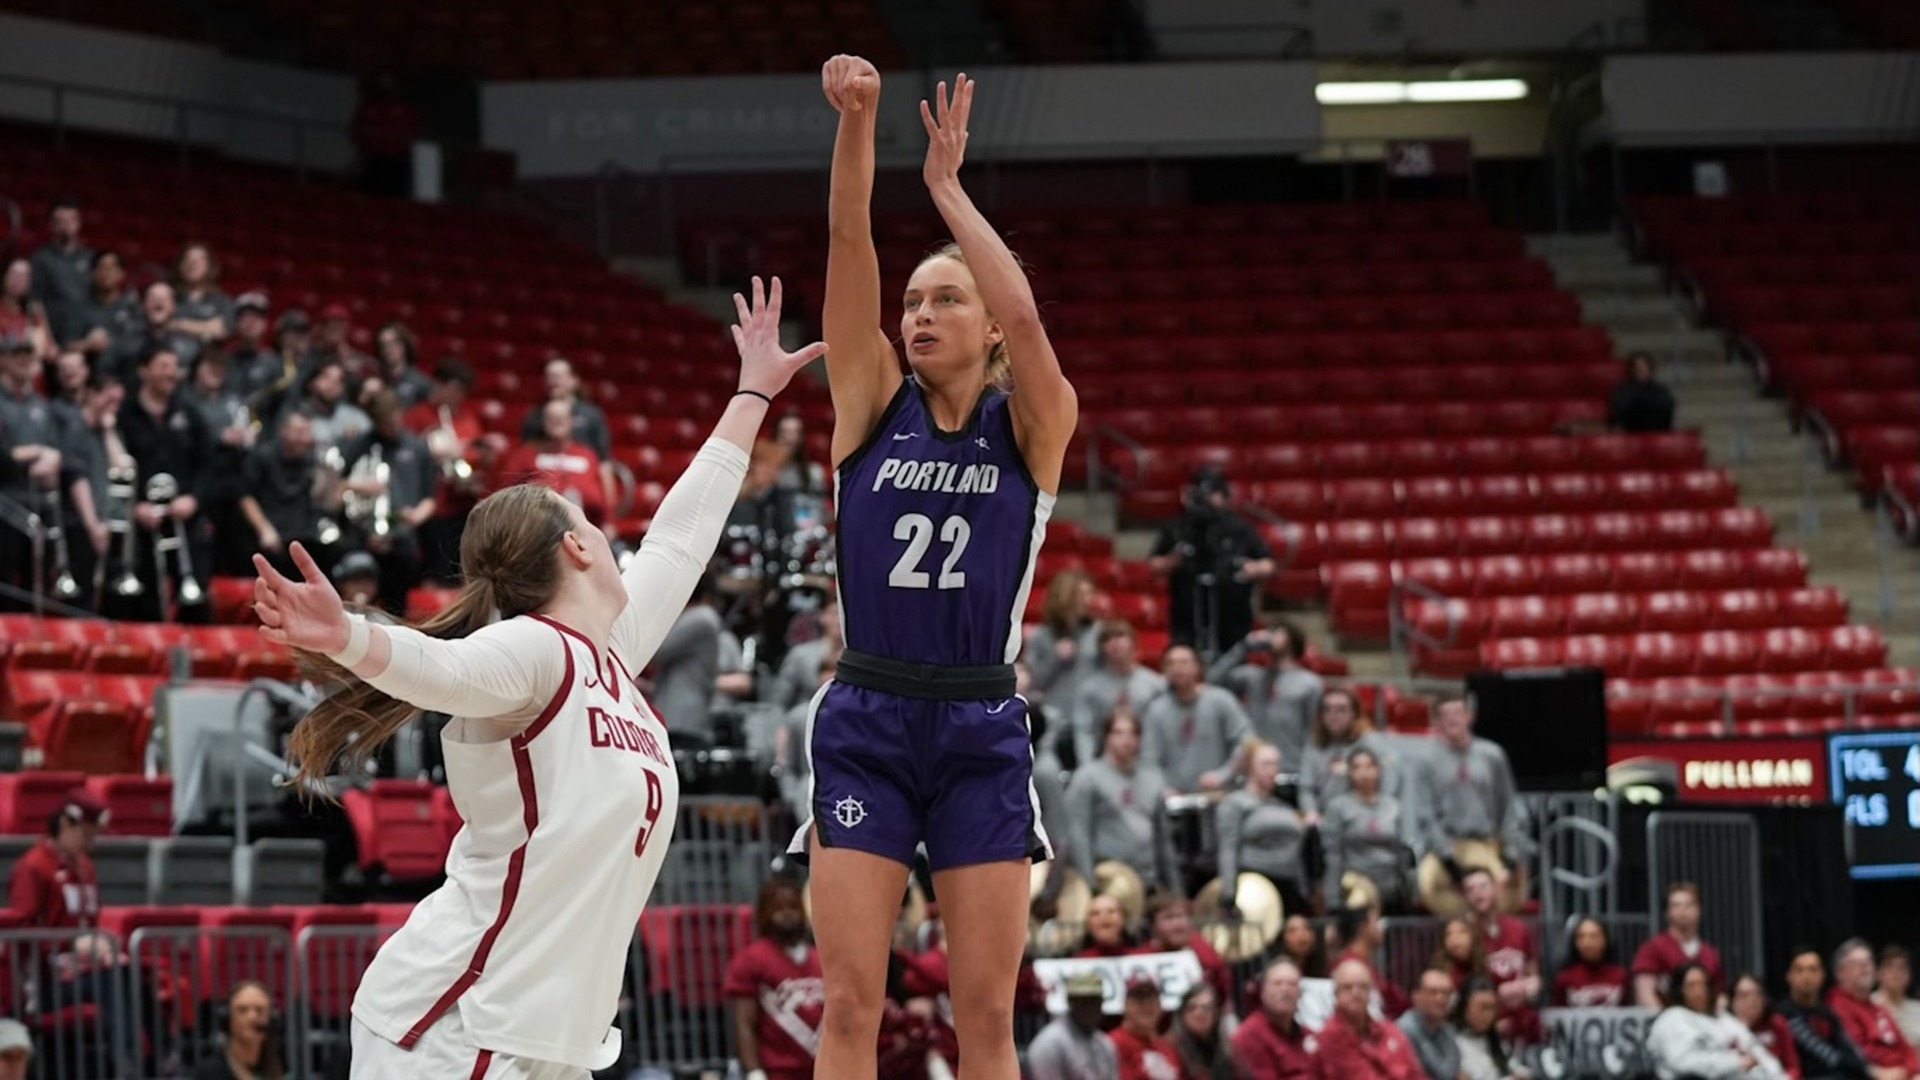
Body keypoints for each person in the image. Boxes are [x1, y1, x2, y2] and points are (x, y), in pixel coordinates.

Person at [256, 276, 824, 1078]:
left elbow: (681, 539)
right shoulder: (535, 650)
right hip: (456, 1025)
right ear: (579, 549)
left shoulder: (610, 656)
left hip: (541, 1041)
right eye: (592, 520)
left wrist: (752, 395)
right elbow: (442, 669)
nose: (610, 532)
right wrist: (348, 635)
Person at [789, 60, 1080, 1080]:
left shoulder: (1033, 425)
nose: (919, 314)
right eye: (913, 301)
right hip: (868, 716)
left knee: (986, 1020)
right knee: (852, 1007)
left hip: (978, 724)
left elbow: (1035, 324)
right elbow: (846, 244)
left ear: (990, 326)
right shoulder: (870, 400)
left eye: (946, 299)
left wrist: (951, 193)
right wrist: (858, 125)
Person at [1415, 696, 1531, 918]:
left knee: (1505, 889)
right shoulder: (1425, 760)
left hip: (1486, 842)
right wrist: (1449, 861)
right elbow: (1425, 814)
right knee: (1428, 887)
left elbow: (1507, 806)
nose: (1452, 720)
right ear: (1436, 722)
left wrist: (1509, 853)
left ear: (1469, 716)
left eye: (1457, 713)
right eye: (1445, 715)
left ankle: (1492, 940)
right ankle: (1463, 931)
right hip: (1447, 844)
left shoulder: (1492, 755)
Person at [1147, 465, 1274, 658]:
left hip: (1232, 616)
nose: (1207, 499)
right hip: (1187, 615)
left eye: (1214, 493)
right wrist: (1173, 560)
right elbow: (1153, 565)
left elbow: (1268, 563)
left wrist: (1253, 569)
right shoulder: (1177, 526)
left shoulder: (1239, 527)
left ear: (1224, 496)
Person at [1065, 709, 1182, 897]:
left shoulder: (1153, 778)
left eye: (1133, 733)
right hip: (1109, 878)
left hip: (1148, 877)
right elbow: (1078, 832)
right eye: (1118, 733)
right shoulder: (1088, 777)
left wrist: (1176, 889)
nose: (1126, 740)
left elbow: (1163, 838)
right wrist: (1090, 882)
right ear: (1106, 737)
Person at [726, 877, 824, 1080]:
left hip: (821, 1070)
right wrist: (754, 1072)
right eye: (778, 908)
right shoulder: (751, 960)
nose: (787, 913)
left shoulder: (821, 959)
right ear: (765, 912)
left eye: (793, 907)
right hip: (777, 1073)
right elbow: (744, 1024)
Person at [1209, 619, 1323, 771]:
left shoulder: (1310, 683)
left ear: (1292, 639)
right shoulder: (1252, 676)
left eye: (1277, 632)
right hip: (1253, 765)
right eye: (1269, 632)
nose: (1269, 636)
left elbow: (1313, 731)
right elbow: (1212, 680)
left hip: (1291, 765)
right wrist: (1243, 647)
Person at [1141, 643, 1254, 793]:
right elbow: (1149, 759)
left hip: (1217, 793)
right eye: (1171, 663)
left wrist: (1224, 774)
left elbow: (1247, 740)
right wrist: (1160, 788)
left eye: (1184, 662)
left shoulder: (1221, 700)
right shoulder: (1156, 710)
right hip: (1174, 798)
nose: (1177, 668)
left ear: (1197, 667)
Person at [1217, 742, 1313, 916]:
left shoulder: (1284, 806)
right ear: (1250, 766)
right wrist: (1228, 894)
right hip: (1256, 884)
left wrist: (1304, 889)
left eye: (1276, 764)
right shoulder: (1235, 803)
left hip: (1289, 882)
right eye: (1266, 764)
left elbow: (1297, 852)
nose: (1272, 770)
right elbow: (1228, 848)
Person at [1322, 746, 1419, 914]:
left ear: (1378, 770)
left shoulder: (1393, 807)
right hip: (1355, 880)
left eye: (1369, 766)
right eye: (1357, 767)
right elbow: (1333, 854)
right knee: (1358, 901)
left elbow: (1404, 850)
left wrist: (1411, 889)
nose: (1364, 773)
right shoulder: (1338, 807)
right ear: (1349, 773)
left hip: (1390, 881)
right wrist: (1333, 899)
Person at [1647, 964, 1787, 1080]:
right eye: (1692, 985)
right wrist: (1736, 1062)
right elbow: (1683, 1062)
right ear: (1679, 989)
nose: (1699, 991)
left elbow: (1755, 1049)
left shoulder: (1722, 1018)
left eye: (1703, 984)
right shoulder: (1673, 1018)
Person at [1458, 867, 1540, 1040]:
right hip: (1485, 1027)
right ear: (1465, 896)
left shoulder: (1518, 928)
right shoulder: (1463, 934)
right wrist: (1497, 995)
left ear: (1495, 889)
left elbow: (1533, 974)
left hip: (1523, 1023)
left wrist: (1530, 987)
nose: (1478, 893)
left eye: (1483, 886)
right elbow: (1461, 987)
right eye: (1471, 889)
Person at [501, 398, 611, 527]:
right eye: (551, 417)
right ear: (543, 421)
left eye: (561, 417)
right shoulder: (526, 454)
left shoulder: (587, 454)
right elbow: (506, 493)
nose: (556, 421)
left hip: (584, 526)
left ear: (571, 421)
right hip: (537, 528)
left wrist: (608, 523)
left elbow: (601, 499)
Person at [7, 789, 105, 928]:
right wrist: (71, 942)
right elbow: (23, 929)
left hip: (86, 948)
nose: (90, 843)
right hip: (51, 950)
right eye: (86, 835)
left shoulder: (86, 866)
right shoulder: (33, 866)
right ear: (64, 824)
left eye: (94, 836)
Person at [1319, 957, 1426, 1080]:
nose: (1356, 993)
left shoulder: (1390, 1030)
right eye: (1347, 987)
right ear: (1335, 994)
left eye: (1363, 987)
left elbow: (1416, 1074)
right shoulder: (1328, 1037)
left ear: (1371, 993)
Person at [1828, 940, 1919, 1080]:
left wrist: (1910, 1071)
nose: (1865, 968)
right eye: (1857, 964)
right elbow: (1858, 1052)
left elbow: (1905, 1047)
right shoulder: (1837, 1006)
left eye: (1868, 962)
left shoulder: (1877, 1008)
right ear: (1841, 972)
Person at [1780, 948, 1871, 1080]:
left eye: (1812, 970)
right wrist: (1856, 1066)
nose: (1806, 976)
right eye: (1799, 970)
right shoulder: (1784, 1013)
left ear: (1822, 975)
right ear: (1789, 976)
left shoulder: (1827, 1012)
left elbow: (1848, 1046)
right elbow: (1823, 1053)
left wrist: (1862, 1066)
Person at [1298, 689, 1386, 825]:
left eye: (1341, 709)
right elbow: (1306, 788)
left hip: (1363, 818)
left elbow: (1386, 783)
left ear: (1354, 713)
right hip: (1324, 819)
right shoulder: (1313, 745)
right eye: (1327, 710)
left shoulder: (1370, 742)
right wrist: (1311, 812)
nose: (1333, 715)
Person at [1633, 882, 1725, 1008]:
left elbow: (1719, 994)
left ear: (1699, 909)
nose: (1683, 911)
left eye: (1689, 905)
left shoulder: (1711, 954)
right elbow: (1645, 994)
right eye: (1676, 906)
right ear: (1667, 912)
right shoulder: (1651, 949)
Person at [1136, 893, 1233, 1011]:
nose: (1177, 925)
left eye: (1181, 917)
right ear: (1153, 926)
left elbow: (1220, 982)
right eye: (1169, 918)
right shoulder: (1140, 958)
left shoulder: (1201, 949)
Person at [1023, 569, 1098, 718]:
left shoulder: (1097, 633)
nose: (1088, 600)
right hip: (1053, 716)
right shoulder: (1040, 636)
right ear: (1065, 597)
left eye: (1090, 594)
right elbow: (1032, 682)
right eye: (1082, 595)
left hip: (1088, 716)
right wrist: (1054, 657)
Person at [1233, 958, 1316, 1080]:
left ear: (1300, 994)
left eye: (1292, 984)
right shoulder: (1249, 1035)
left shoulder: (1308, 1035)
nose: (1285, 990)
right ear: (1263, 992)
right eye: (1277, 983)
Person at [1026, 971, 1116, 1080]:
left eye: (1094, 1001)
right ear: (1070, 1002)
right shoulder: (1050, 1043)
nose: (1089, 1008)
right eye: (1083, 1001)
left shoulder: (1104, 1043)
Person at [30, 200, 94, 349]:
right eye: (61, 221)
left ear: (79, 223)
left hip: (83, 339)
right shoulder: (41, 259)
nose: (67, 226)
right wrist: (47, 340)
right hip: (53, 339)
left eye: (71, 220)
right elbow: (35, 303)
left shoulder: (89, 258)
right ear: (51, 225)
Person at [195, 979, 285, 1080]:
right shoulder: (210, 1073)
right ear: (227, 1019)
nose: (252, 1017)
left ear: (271, 1019)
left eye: (260, 1010)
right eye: (242, 1010)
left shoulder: (283, 1067)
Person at [1335, 905, 1410, 1019]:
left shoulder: (1365, 963)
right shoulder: (1348, 966)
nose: (1381, 928)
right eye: (1376, 923)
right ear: (1362, 928)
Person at [1453, 978, 1529, 1080]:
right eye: (1483, 1007)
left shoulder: (1496, 1040)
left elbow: (1514, 1067)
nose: (1488, 1015)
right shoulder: (1453, 1042)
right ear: (1465, 1007)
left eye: (1492, 1008)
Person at [1732, 972, 1802, 1080]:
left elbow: (1792, 1067)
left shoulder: (1776, 1024)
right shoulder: (1724, 1029)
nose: (1752, 1001)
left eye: (1757, 994)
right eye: (1744, 995)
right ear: (1732, 1001)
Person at [1110, 975, 1182, 1080]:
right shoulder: (1113, 1044)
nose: (1147, 1005)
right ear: (1125, 1005)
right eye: (1140, 999)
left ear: (1161, 1007)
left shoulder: (1168, 1048)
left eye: (1152, 999)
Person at [1400, 967, 1464, 1080]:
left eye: (1446, 993)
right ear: (1416, 996)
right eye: (1433, 992)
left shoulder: (1448, 1030)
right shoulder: (1403, 1031)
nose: (1440, 999)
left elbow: (1452, 1072)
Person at [1551, 918, 1630, 1008]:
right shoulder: (1564, 978)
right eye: (1581, 937)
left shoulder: (1620, 976)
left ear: (1605, 939)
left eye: (1594, 936)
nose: (1587, 943)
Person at [173, 242, 234, 349]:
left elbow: (221, 330)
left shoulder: (221, 300)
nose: (192, 264)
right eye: (188, 259)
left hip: (208, 361)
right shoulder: (171, 297)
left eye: (199, 260)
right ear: (180, 266)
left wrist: (179, 324)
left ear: (209, 267)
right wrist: (206, 327)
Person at [1171, 982, 1234, 1080]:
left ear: (1216, 1014)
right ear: (1182, 1013)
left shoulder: (1228, 1048)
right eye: (1192, 1007)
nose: (1199, 1013)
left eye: (1206, 1007)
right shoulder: (1171, 1050)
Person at [1607, 352, 1676, 434]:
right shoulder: (1621, 390)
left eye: (1644, 366)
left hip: (1655, 434)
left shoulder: (1660, 391)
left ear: (1650, 368)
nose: (1640, 369)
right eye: (1637, 366)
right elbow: (1618, 416)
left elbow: (1666, 412)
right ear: (1631, 369)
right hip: (1629, 435)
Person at [1876, 947, 1920, 1058]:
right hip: (1886, 1070)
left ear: (1909, 975)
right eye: (1889, 966)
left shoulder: (1917, 1009)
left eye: (1902, 967)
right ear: (1878, 973)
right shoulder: (1867, 1005)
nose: (1896, 972)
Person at [1434, 916, 1491, 989]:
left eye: (1462, 932)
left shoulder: (1487, 964)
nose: (1454, 938)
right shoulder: (1440, 971)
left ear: (1474, 936)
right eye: (1448, 934)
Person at [1073, 893, 1134, 957]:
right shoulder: (1079, 961)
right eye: (1096, 913)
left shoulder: (1139, 957)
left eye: (1111, 911)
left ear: (1123, 918)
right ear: (1088, 924)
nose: (1104, 917)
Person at [1278, 914, 1329, 979]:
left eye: (1307, 929)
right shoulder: (1277, 969)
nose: (1301, 935)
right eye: (1293, 931)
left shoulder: (1325, 967)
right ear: (1284, 937)